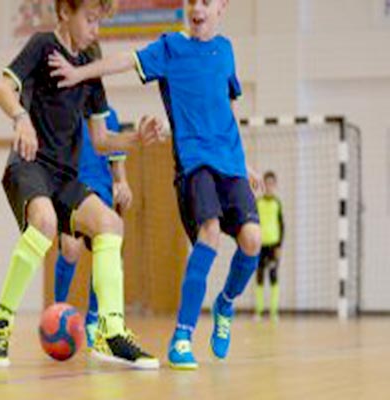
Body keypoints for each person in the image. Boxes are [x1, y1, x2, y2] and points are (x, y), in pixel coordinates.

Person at [48, 0, 262, 370]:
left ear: (221, 7)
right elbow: (125, 60)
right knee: (209, 232)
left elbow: (228, 111)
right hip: (196, 165)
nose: (197, 7)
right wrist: (80, 72)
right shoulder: (170, 48)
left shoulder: (226, 51)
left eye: (206, 2)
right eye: (191, 1)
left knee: (252, 241)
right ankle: (182, 336)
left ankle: (225, 303)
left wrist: (247, 163)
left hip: (231, 164)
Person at [0, 0, 162, 369]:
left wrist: (135, 140)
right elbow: (3, 89)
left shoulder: (89, 65)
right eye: (91, 19)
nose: (96, 29)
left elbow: (100, 139)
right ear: (65, 11)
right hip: (29, 165)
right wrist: (21, 118)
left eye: (100, 21)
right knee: (45, 224)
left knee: (111, 224)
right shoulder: (41, 45)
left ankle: (110, 333)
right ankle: (1, 323)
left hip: (64, 177)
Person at [54, 105, 132, 348]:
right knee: (70, 248)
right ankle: (59, 310)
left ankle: (94, 319)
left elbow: (117, 161)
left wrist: (122, 182)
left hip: (102, 192)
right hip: (72, 189)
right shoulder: (65, 110)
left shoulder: (110, 115)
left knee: (106, 252)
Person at [255, 171, 284, 322]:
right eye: (267, 183)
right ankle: (259, 311)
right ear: (263, 185)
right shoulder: (258, 203)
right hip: (260, 245)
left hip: (273, 245)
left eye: (272, 183)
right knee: (259, 276)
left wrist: (279, 246)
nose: (269, 186)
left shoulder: (277, 203)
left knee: (273, 276)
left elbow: (281, 225)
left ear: (275, 185)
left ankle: (274, 312)